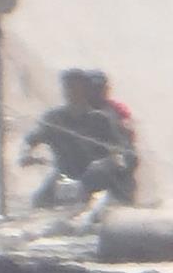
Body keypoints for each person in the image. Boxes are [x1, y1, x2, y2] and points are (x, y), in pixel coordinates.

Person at [21, 68, 136, 207]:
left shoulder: (100, 120)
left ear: (85, 90)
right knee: (40, 200)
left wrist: (113, 161)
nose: (71, 92)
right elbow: (31, 139)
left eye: (76, 88)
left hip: (94, 176)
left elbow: (121, 148)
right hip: (64, 173)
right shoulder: (53, 118)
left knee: (104, 189)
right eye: (68, 87)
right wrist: (26, 153)